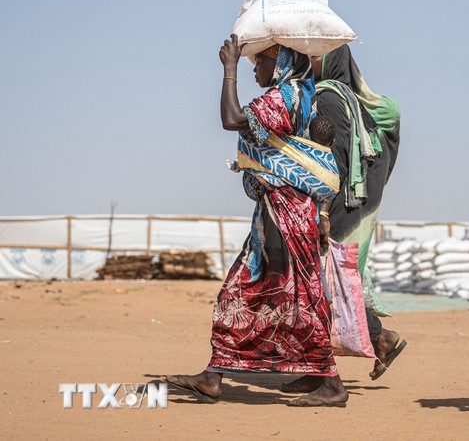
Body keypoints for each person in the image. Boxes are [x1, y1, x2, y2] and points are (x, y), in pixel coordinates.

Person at [165, 35, 348, 407]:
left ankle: (330, 383)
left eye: (258, 64)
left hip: (288, 215)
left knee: (290, 295)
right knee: (258, 292)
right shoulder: (298, 96)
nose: (255, 72)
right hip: (279, 212)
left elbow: (232, 119)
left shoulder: (286, 97)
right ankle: (214, 375)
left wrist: (229, 69)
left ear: (278, 62)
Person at [278, 44, 405, 393]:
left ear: (333, 60)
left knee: (325, 288)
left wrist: (322, 211)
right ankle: (323, 365)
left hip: (337, 210)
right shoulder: (350, 99)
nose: (306, 62)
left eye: (315, 56)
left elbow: (332, 161)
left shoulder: (330, 99)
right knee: (327, 286)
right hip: (350, 206)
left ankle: (378, 341)